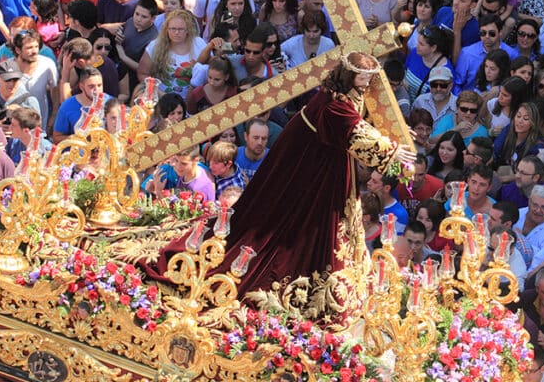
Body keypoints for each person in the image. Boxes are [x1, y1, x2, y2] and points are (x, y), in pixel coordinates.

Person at [146, 52, 414, 325]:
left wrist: (392, 132)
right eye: (363, 78)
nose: (367, 84)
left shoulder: (342, 97)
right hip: (311, 169)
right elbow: (356, 133)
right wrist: (392, 150)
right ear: (348, 76)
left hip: (322, 164)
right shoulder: (333, 105)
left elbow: (358, 123)